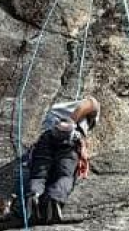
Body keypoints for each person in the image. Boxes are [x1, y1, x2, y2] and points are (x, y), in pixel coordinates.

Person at [25, 96, 99, 224]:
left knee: (39, 174)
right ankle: (53, 199)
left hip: (47, 137)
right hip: (70, 136)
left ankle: (34, 195)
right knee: (65, 175)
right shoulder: (81, 105)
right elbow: (92, 104)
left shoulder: (54, 109)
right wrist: (71, 121)